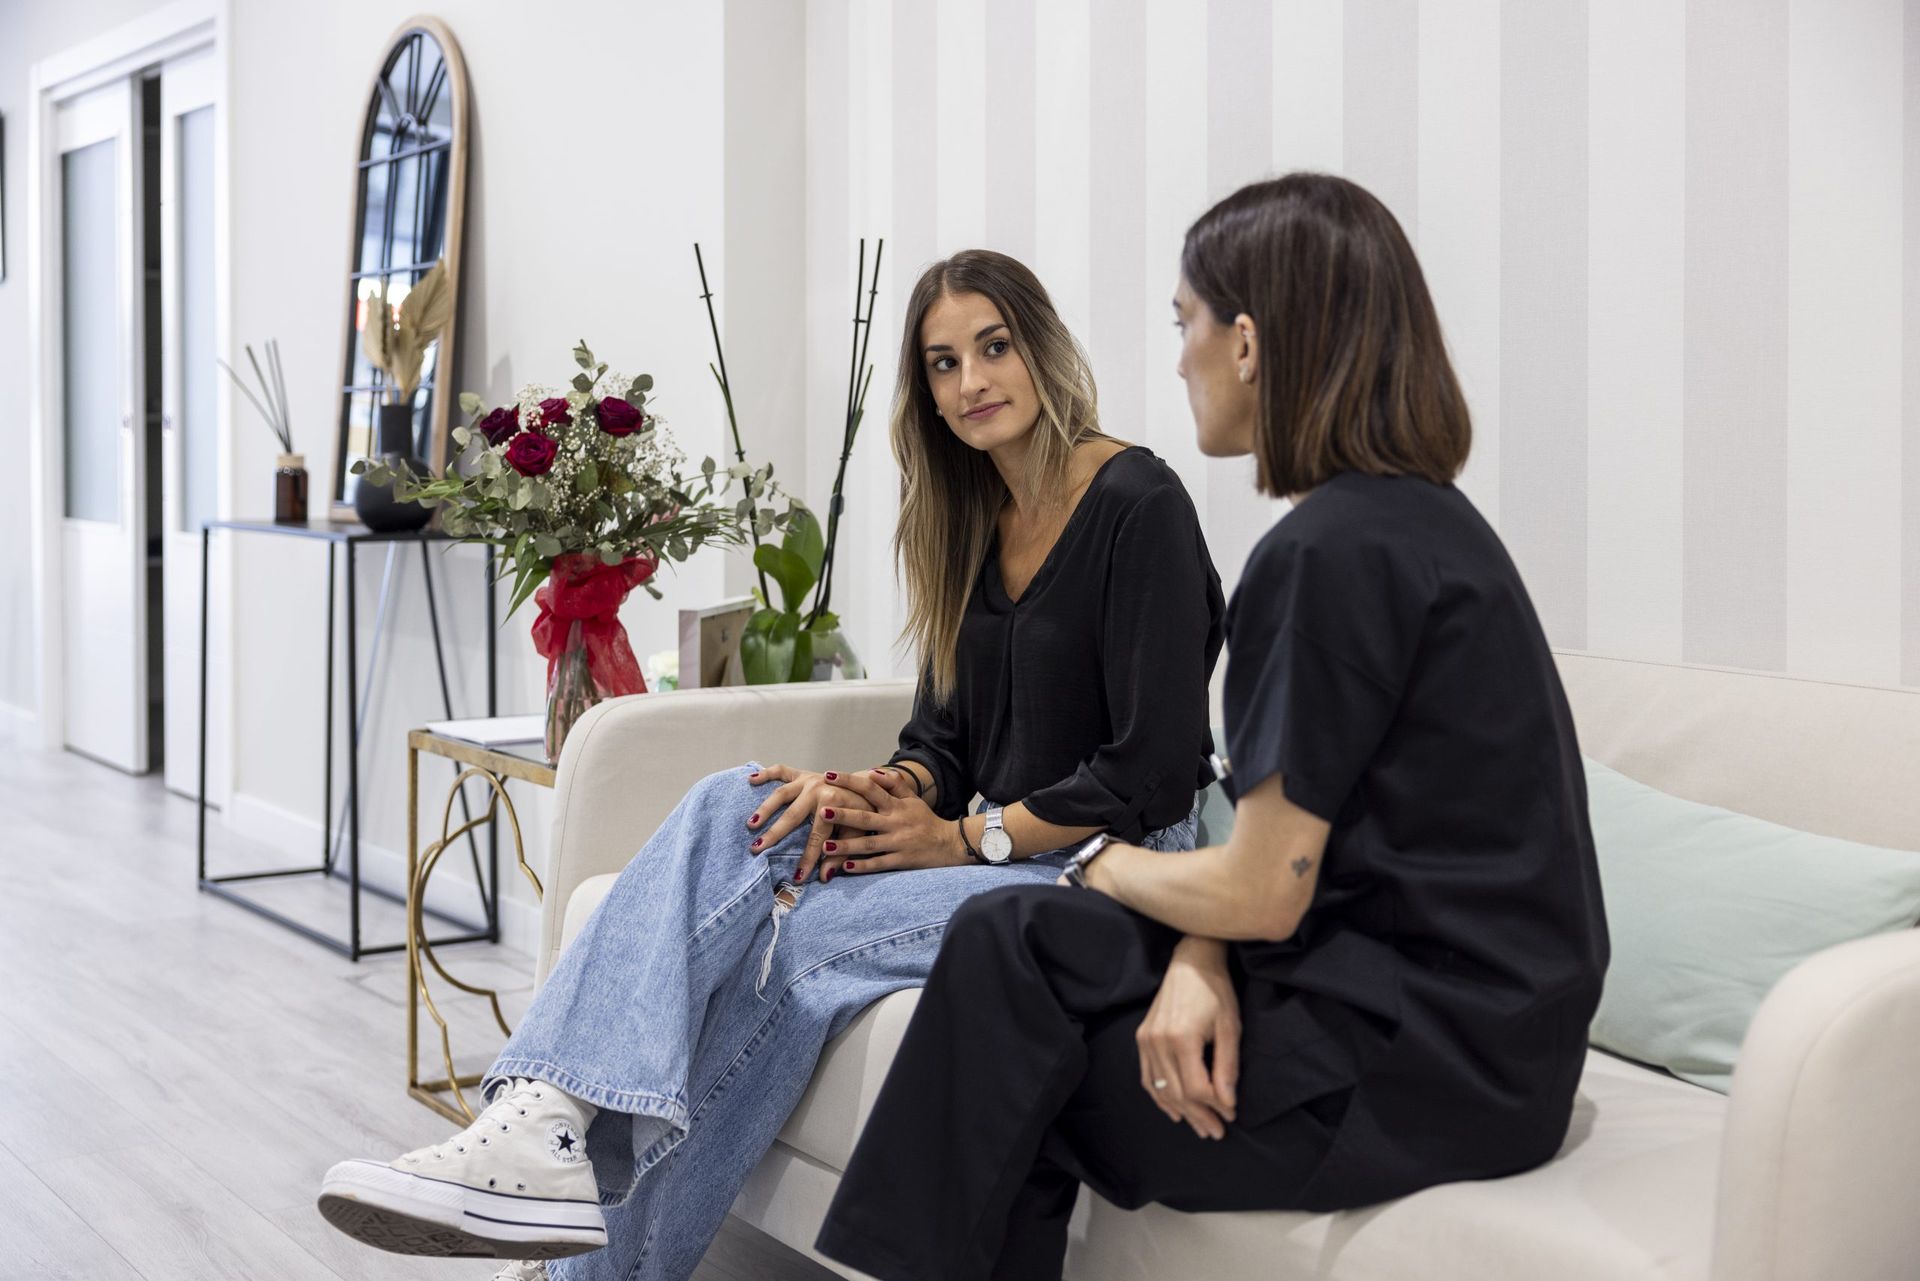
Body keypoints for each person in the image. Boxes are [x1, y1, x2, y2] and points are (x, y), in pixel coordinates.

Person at [315, 248, 1226, 1281]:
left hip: (1106, 873)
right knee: (733, 805)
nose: (970, 382)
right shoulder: (968, 519)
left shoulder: (1135, 502)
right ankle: (544, 1120)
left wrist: (968, 834)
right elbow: (944, 745)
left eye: (993, 347)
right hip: (989, 851)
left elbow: (1152, 770)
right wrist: (883, 794)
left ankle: (589, 1260)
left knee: (797, 953)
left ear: (1042, 349)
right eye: (940, 363)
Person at [813, 173, 1611, 1281]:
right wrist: (1198, 955)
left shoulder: (1323, 558)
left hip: (1426, 1068)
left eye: (1185, 322)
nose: (1179, 354)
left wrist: (1098, 863)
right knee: (1011, 941)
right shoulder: (1412, 522)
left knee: (1009, 1034)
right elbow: (1285, 854)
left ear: (1247, 342)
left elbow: (1261, 889)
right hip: (1470, 1032)